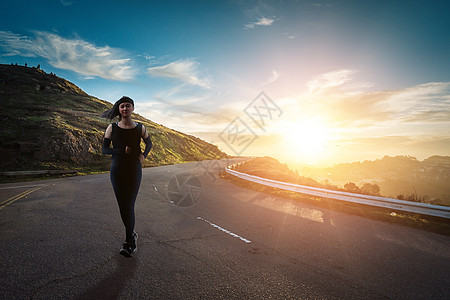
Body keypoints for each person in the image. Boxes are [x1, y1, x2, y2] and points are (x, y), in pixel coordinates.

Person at [101, 96, 152, 257]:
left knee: (129, 204)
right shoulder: (112, 127)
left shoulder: (140, 128)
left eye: (127, 106)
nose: (124, 109)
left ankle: (129, 242)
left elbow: (149, 143)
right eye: (122, 106)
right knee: (123, 205)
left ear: (133, 108)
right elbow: (104, 150)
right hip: (117, 170)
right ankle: (132, 235)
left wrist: (144, 155)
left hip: (134, 169)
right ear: (119, 109)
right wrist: (120, 151)